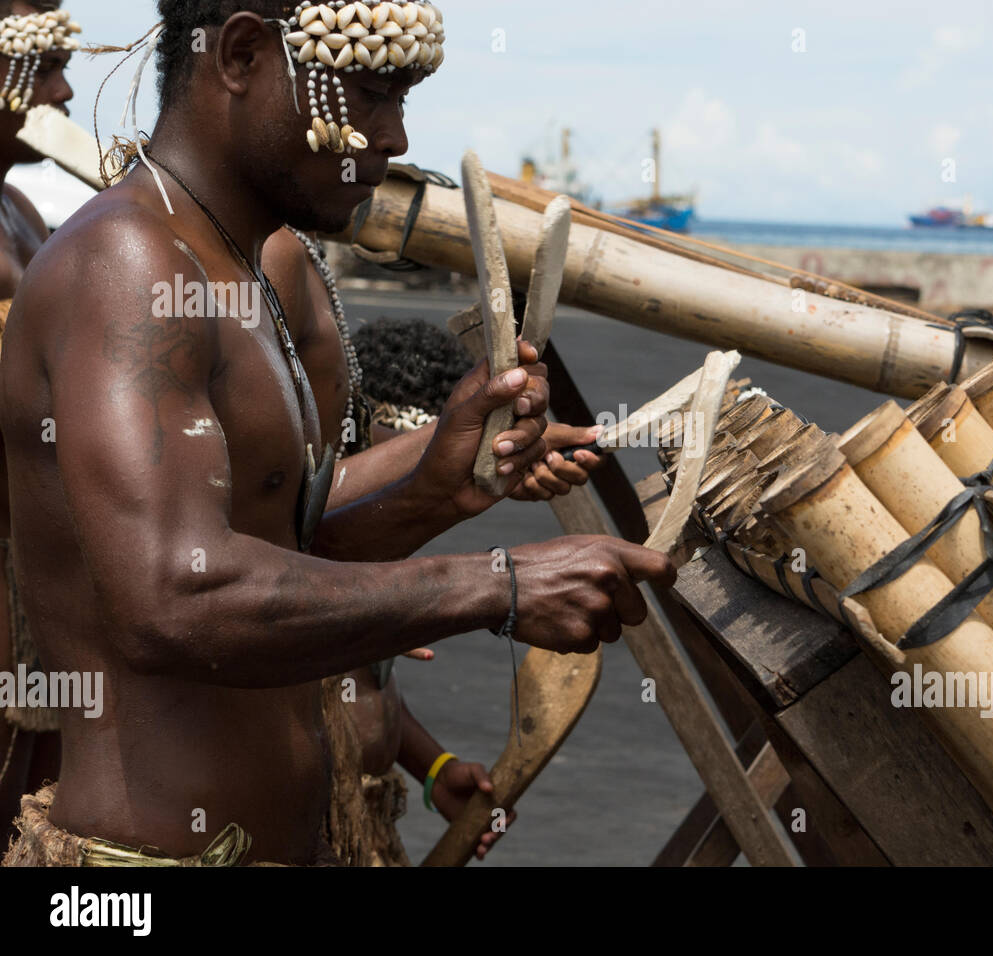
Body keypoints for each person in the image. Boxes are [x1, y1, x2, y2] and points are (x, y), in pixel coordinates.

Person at [1, 0, 672, 867]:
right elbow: (173, 597)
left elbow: (280, 540)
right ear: (240, 54)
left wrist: (438, 472)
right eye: (367, 91)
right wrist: (493, 586)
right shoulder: (130, 265)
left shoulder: (227, 263)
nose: (392, 137)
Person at [261, 235, 606, 865]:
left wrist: (431, 763)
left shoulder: (359, 541)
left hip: (365, 811)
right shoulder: (301, 556)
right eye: (390, 441)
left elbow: (373, 689)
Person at [0, 0, 77, 848]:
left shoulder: (23, 210)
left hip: (42, 577)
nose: (61, 88)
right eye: (40, 61)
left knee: (36, 811)